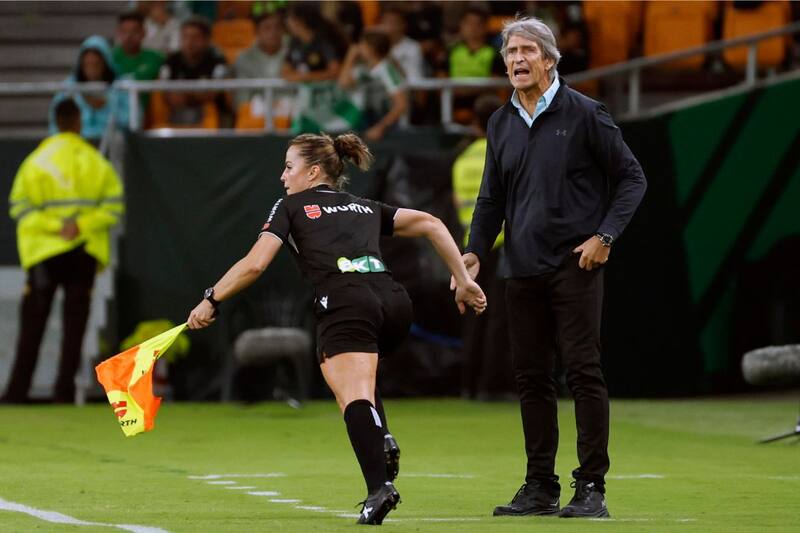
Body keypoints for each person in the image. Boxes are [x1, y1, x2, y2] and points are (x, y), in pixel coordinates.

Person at [187, 132, 486, 524]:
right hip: (395, 304)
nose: (282, 176)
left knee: (353, 395)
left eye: (289, 167)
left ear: (312, 173)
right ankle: (381, 436)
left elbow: (255, 264)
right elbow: (431, 223)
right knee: (359, 374)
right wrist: (462, 279)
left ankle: (379, 487)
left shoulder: (291, 206)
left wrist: (212, 298)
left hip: (347, 303)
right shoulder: (363, 206)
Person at [459, 17, 647, 518]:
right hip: (520, 268)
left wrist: (604, 237)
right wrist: (475, 250)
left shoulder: (586, 113)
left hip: (574, 265)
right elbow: (490, 197)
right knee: (531, 378)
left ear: (549, 58)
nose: (516, 60)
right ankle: (540, 486)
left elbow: (632, 179)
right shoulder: (500, 123)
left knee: (583, 373)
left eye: (525, 50)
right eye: (509, 53)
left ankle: (591, 490)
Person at [2, 99, 124, 404]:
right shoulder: (96, 161)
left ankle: (17, 392)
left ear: (55, 121)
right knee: (75, 327)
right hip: (83, 252)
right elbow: (113, 206)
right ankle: (64, 393)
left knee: (32, 325)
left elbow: (19, 207)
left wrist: (55, 226)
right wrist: (79, 226)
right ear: (78, 122)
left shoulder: (35, 162)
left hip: (44, 253)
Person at [452, 93, 514, 401]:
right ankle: (493, 386)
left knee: (473, 319)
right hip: (502, 246)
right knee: (498, 319)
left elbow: (458, 206)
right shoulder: (503, 153)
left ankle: (468, 386)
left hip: (469, 250)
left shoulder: (462, 160)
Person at [49, 35, 131, 140]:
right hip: (77, 143)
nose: (91, 70)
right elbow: (56, 122)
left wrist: (105, 106)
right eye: (87, 64)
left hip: (111, 142)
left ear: (106, 63)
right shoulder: (69, 87)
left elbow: (130, 120)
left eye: (96, 64)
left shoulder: (121, 86)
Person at [158, 16, 230, 126]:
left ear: (207, 40)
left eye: (195, 37)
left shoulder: (217, 61)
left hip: (211, 114)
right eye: (185, 37)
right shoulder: (171, 61)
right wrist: (196, 94)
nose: (189, 42)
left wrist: (186, 94)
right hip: (177, 112)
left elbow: (213, 94)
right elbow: (166, 93)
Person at [338, 29, 408, 141]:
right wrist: (349, 59)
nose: (358, 48)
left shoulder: (387, 69)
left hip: (385, 125)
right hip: (364, 121)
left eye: (362, 44)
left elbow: (401, 104)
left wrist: (381, 127)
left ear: (371, 48)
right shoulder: (362, 69)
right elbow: (343, 83)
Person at [233, 10, 288, 105]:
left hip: (291, 112)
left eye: (278, 27)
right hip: (256, 114)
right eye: (267, 28)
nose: (273, 32)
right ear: (257, 31)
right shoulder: (244, 58)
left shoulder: (294, 54)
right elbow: (242, 100)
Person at [113, 11, 164, 109]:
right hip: (115, 115)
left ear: (144, 32)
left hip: (150, 115)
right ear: (118, 33)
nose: (129, 36)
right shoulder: (109, 58)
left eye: (134, 31)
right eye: (124, 31)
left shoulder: (157, 58)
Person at [381, 6, 426, 81]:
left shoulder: (413, 47)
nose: (388, 27)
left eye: (393, 23)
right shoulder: (375, 44)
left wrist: (389, 57)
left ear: (403, 25)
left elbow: (414, 80)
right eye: (385, 22)